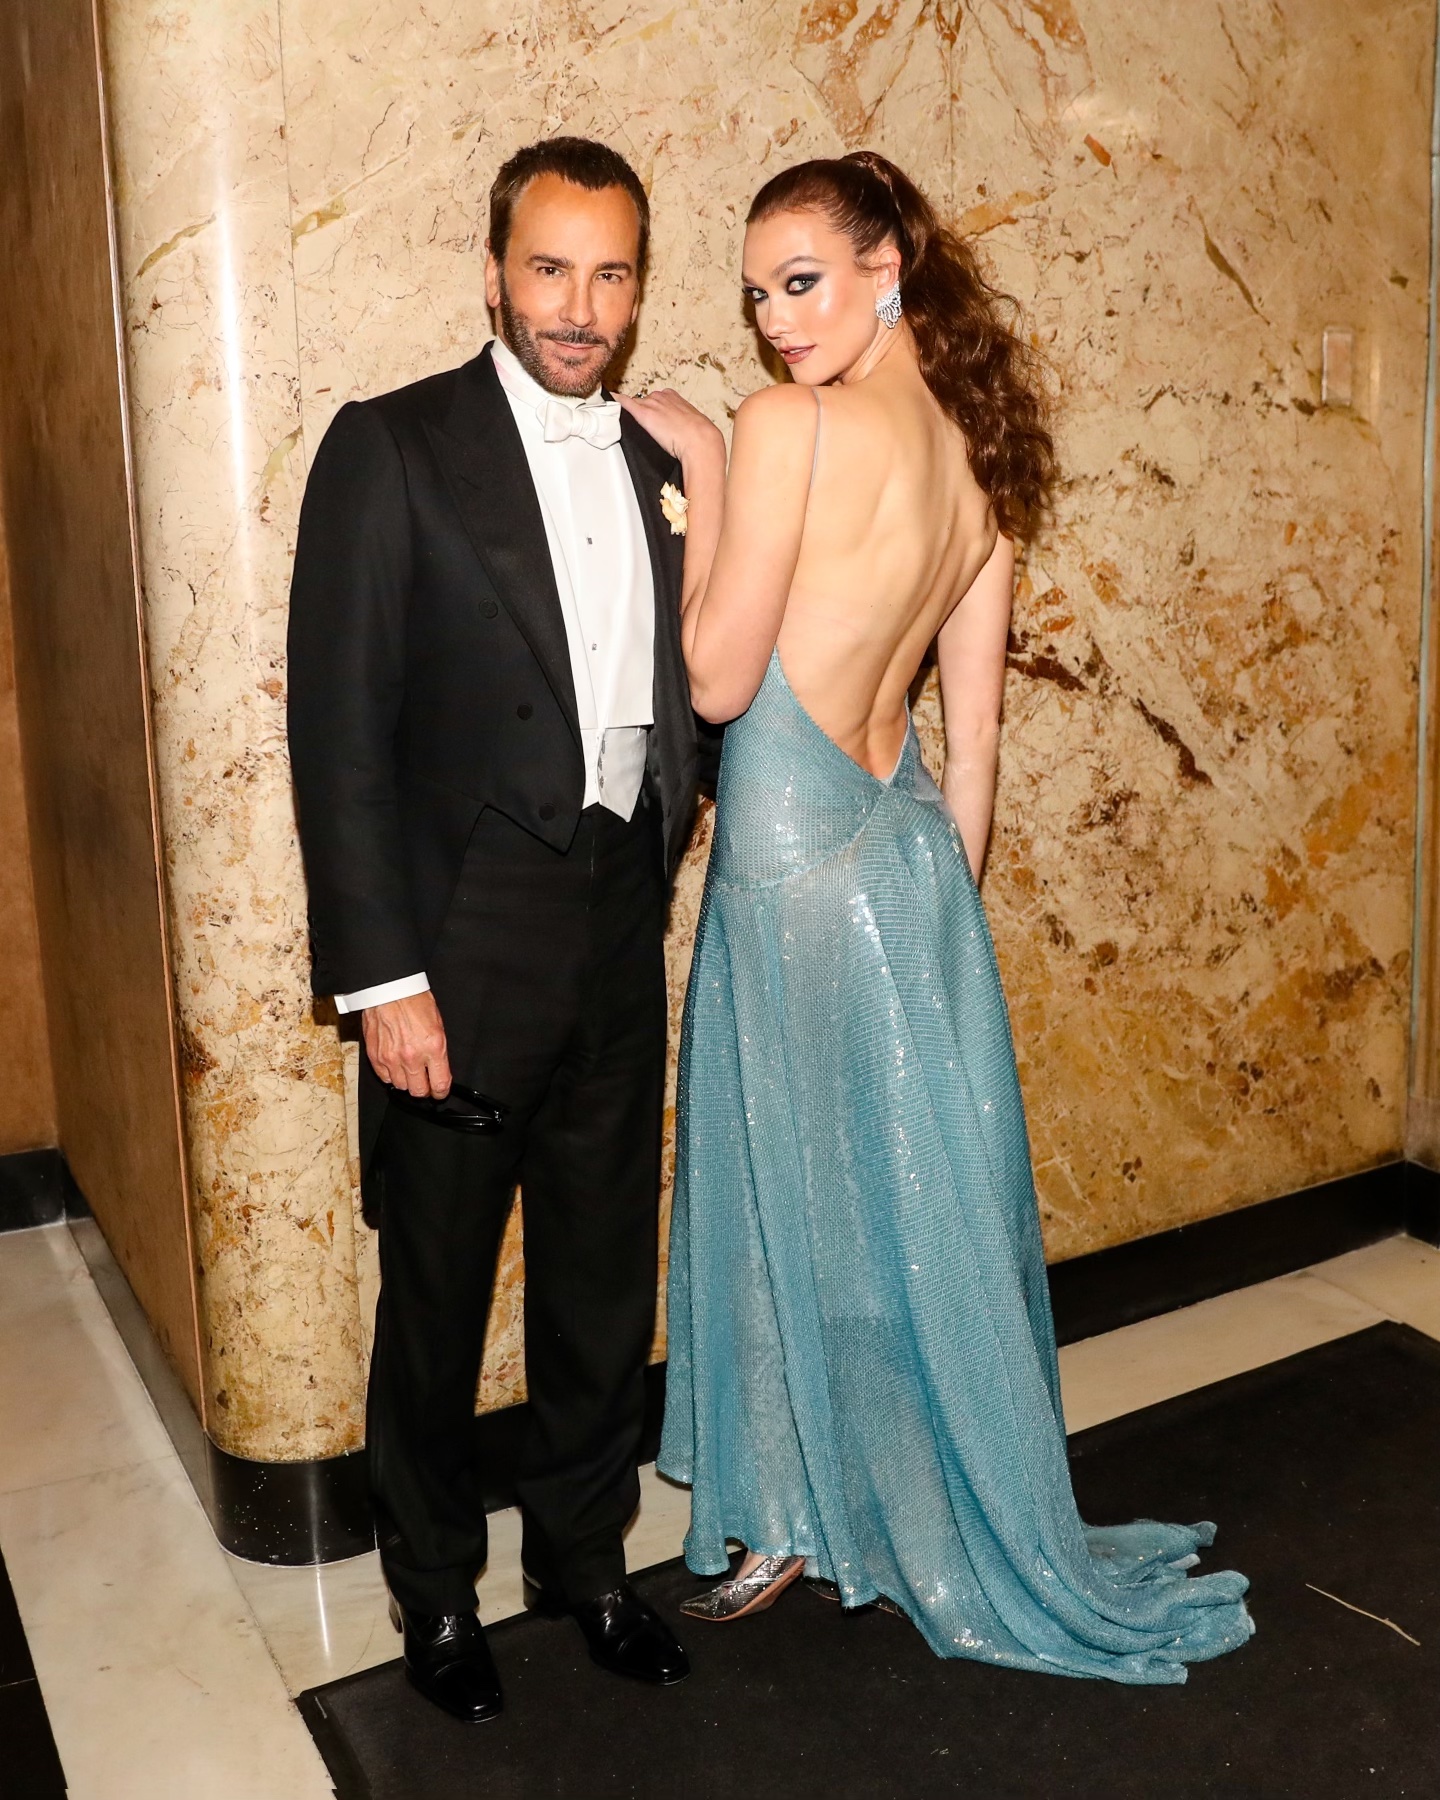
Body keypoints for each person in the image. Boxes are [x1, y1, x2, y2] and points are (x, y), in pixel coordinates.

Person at [627, 152, 1255, 1682]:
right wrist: (914, 905)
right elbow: (972, 764)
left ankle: (793, 1517)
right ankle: (881, 1501)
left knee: (788, 1194)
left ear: (890, 260)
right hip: (905, 867)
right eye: (761, 292)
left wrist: (707, 467)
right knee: (906, 1210)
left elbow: (715, 681)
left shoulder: (785, 428)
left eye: (806, 280)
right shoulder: (980, 470)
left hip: (785, 860)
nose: (780, 320)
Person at [287, 137, 696, 1725]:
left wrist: (672, 822)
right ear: (493, 271)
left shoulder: (659, 458)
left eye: (609, 275)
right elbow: (341, 737)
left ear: (638, 289)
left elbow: (683, 687)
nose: (578, 307)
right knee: (440, 1294)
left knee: (602, 1283)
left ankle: (588, 1569)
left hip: (612, 925)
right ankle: (437, 1596)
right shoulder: (390, 448)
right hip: (456, 951)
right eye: (549, 268)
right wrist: (386, 979)